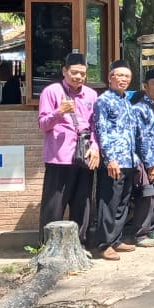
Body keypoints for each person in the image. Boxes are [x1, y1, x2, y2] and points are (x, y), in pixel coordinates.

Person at [37, 52, 99, 240]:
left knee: (82, 203)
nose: (78, 77)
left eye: (82, 73)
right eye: (74, 72)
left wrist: (95, 146)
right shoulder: (51, 91)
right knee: (54, 205)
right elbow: (43, 125)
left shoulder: (91, 94)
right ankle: (48, 245)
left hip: (84, 155)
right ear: (64, 71)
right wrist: (59, 112)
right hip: (59, 157)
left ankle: (79, 244)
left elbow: (96, 126)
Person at [91, 60, 140, 260]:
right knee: (108, 203)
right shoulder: (104, 101)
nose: (123, 80)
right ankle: (103, 244)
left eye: (127, 77)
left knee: (122, 202)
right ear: (111, 77)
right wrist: (110, 159)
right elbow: (101, 130)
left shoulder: (126, 102)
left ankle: (116, 239)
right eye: (119, 76)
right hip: (113, 162)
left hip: (128, 160)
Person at [128, 67, 154, 247]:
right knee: (146, 197)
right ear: (145, 86)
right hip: (148, 161)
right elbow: (142, 139)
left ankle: (152, 228)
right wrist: (150, 164)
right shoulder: (140, 108)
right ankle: (140, 233)